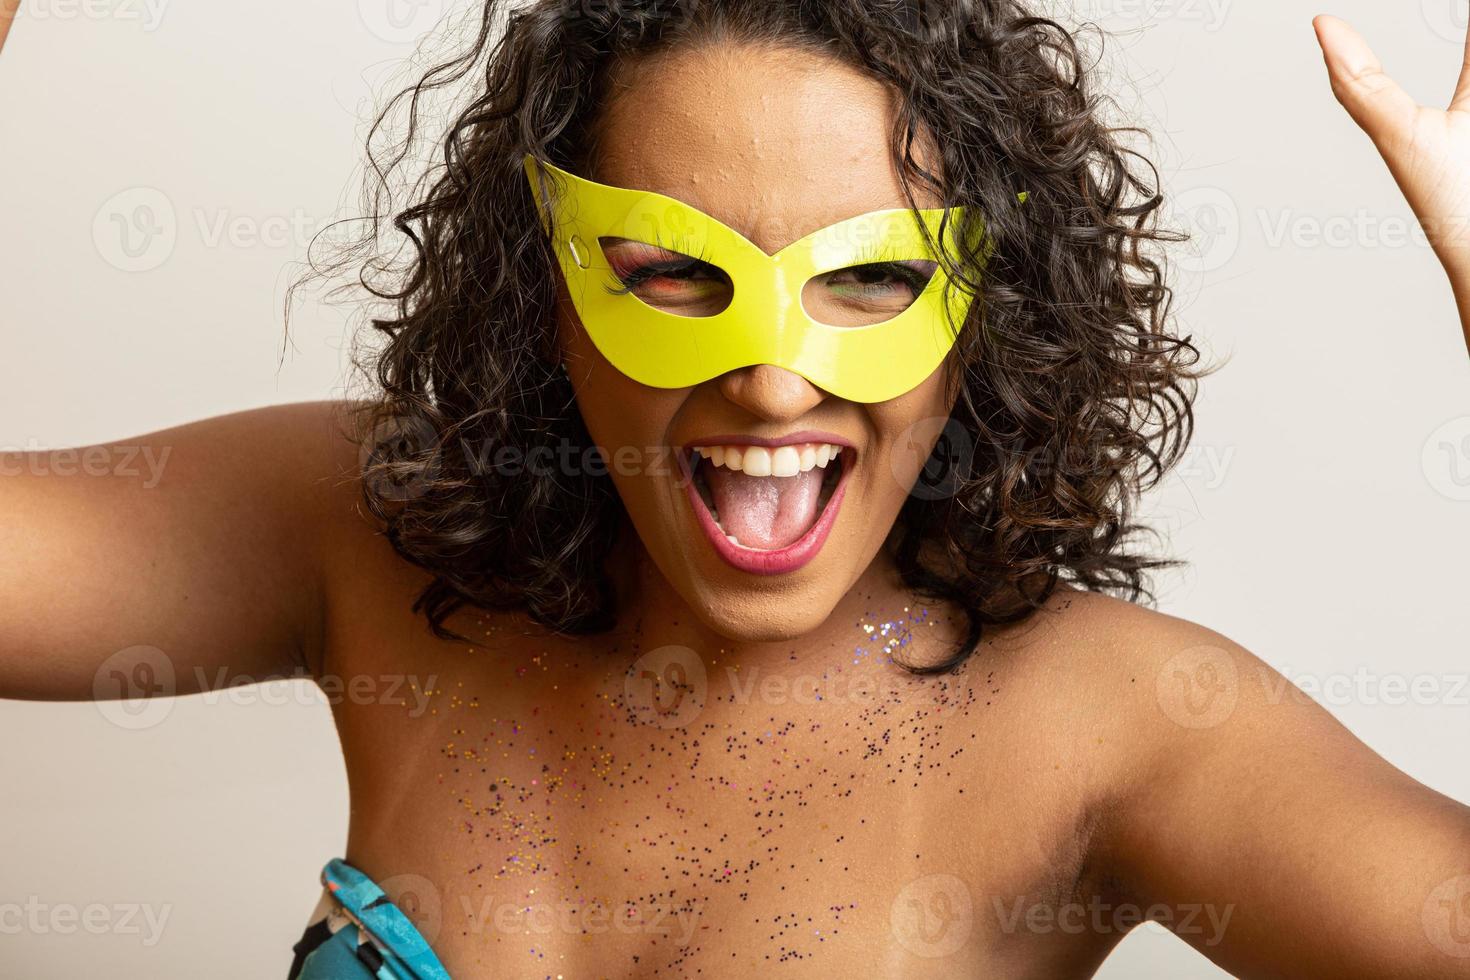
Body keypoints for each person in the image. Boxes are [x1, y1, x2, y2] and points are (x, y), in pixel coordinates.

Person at [3, 2, 1468, 978]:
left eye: (874, 279)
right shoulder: (380, 536)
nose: (773, 383)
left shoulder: (1106, 721)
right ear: (545, 295)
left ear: (991, 310)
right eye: (668, 277)